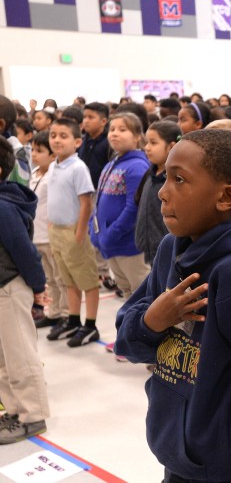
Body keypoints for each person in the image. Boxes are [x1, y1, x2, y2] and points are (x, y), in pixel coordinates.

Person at [114, 129, 231, 483]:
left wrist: (230, 436)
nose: (162, 192)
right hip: (176, 451)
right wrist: (152, 320)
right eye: (166, 177)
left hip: (230, 466)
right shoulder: (170, 249)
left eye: (180, 180)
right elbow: (126, 343)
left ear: (225, 197)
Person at [0, 136, 50, 444]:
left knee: (20, 354)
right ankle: (14, 411)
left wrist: (38, 287)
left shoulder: (3, 207)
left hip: (9, 288)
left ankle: (32, 416)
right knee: (4, 358)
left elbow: (24, 251)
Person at [45, 118, 100, 347]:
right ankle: (73, 320)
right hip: (56, 232)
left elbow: (86, 202)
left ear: (77, 141)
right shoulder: (53, 165)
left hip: (73, 232)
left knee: (87, 279)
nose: (57, 139)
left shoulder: (78, 167)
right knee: (68, 279)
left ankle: (90, 325)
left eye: (63, 135)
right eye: (53, 135)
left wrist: (80, 231)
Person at [90, 112, 151, 301]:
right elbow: (99, 201)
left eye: (122, 130)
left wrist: (111, 233)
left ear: (137, 137)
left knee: (142, 294)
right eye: (112, 129)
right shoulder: (112, 164)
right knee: (126, 291)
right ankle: (131, 329)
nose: (114, 133)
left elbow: (133, 208)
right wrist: (95, 230)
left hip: (129, 245)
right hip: (111, 244)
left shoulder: (137, 166)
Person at [29, 131, 68, 329]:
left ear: (52, 155)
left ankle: (66, 313)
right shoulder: (34, 173)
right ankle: (53, 313)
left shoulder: (54, 175)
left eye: (40, 151)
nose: (34, 154)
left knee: (61, 276)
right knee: (49, 278)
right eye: (33, 149)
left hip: (51, 234)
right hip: (37, 234)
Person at [135, 121, 179, 266]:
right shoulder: (150, 174)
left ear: (172, 146)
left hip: (169, 251)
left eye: (153, 143)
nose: (147, 148)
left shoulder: (177, 180)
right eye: (146, 142)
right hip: (149, 248)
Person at [78, 102, 110, 188]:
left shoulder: (109, 143)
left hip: (100, 189)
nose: (86, 121)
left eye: (91, 117)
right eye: (84, 117)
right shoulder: (82, 140)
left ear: (103, 121)